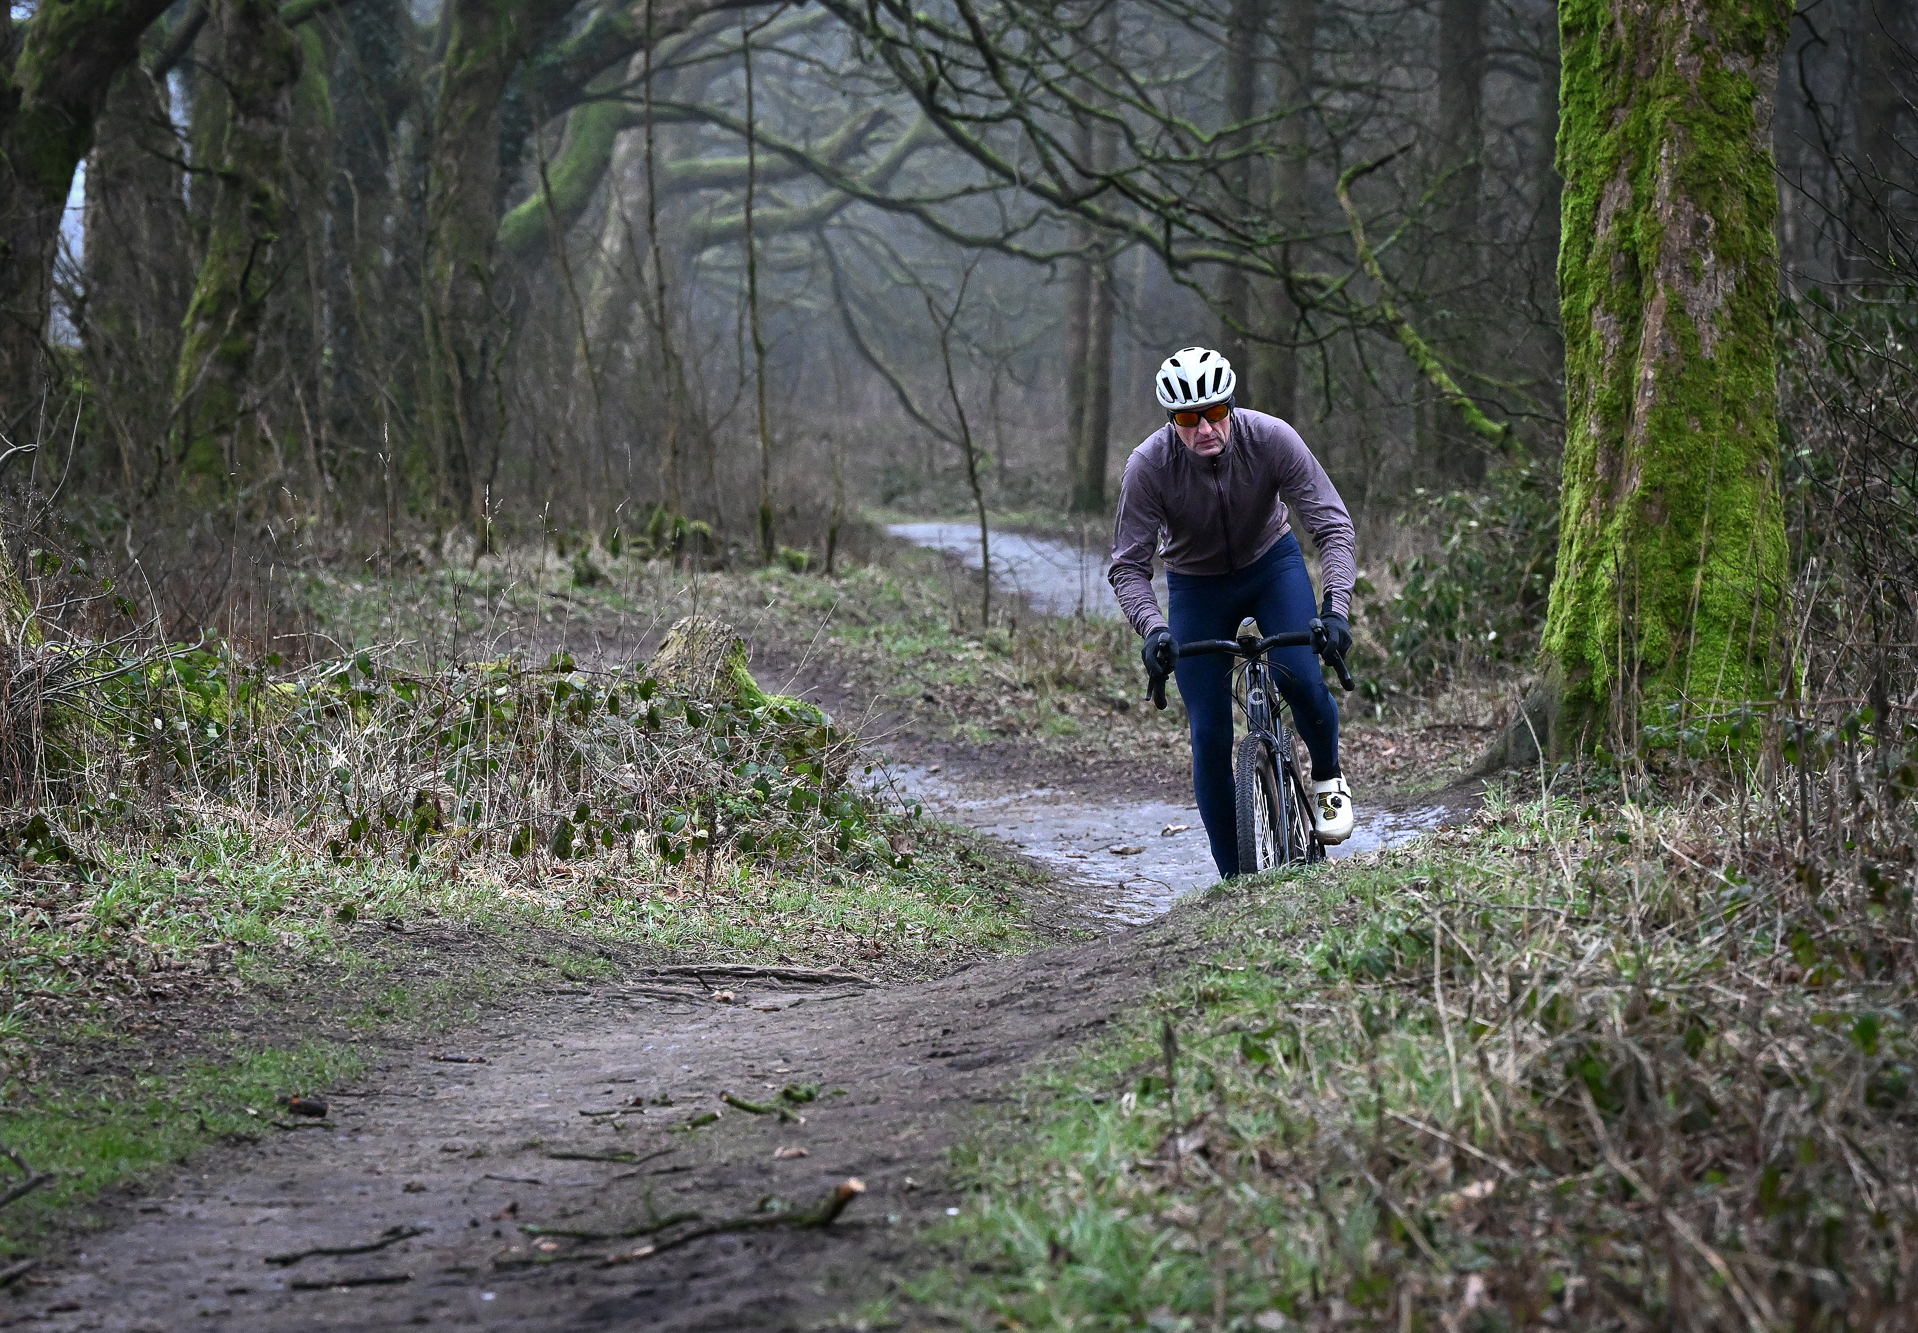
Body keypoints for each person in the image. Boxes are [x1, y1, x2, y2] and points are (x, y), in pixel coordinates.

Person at [1108, 346, 1357, 877]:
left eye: (1215, 413)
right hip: (1196, 586)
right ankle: (1235, 877)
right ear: (1172, 422)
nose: (1205, 429)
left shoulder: (1272, 438)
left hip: (1272, 565)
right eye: (1188, 418)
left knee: (1301, 679)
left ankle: (1329, 778)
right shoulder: (1148, 466)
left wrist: (1336, 608)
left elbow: (1333, 526)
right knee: (1209, 733)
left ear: (1231, 408)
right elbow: (1128, 566)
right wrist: (1153, 630)